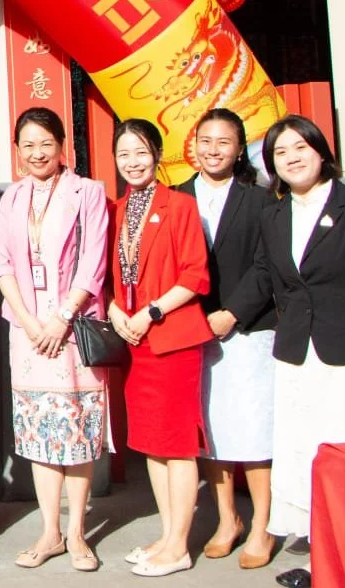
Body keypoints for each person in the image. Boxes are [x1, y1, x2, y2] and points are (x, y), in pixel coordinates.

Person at [215, 115, 345, 588]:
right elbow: (263, 274)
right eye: (280, 152)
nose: (292, 157)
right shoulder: (274, 214)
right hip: (296, 353)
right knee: (307, 455)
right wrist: (228, 314)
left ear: (321, 152)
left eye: (301, 147)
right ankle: (325, 563)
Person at [0, 107, 110, 572]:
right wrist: (27, 319)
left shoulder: (88, 192)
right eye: (28, 145)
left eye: (46, 143)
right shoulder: (13, 196)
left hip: (72, 329)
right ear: (17, 151)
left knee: (76, 431)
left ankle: (78, 533)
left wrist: (61, 318)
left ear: (63, 147)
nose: (37, 152)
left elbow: (94, 261)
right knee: (41, 435)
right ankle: (49, 532)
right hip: (28, 333)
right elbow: (2, 262)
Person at [107, 118, 212, 578]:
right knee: (151, 444)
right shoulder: (116, 209)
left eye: (141, 152)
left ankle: (180, 545)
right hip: (134, 342)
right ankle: (168, 533)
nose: (133, 162)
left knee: (178, 445)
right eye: (124, 154)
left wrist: (149, 313)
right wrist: (114, 312)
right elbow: (108, 276)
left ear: (157, 154)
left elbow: (195, 274)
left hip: (171, 336)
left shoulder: (180, 205)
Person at [175, 108, 276, 571]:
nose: (213, 149)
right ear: (192, 145)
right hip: (192, 331)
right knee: (210, 432)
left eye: (224, 142)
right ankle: (227, 519)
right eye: (206, 140)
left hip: (248, 328)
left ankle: (262, 526)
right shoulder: (176, 197)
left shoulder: (260, 200)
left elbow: (266, 264)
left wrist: (232, 313)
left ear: (239, 150)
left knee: (253, 430)